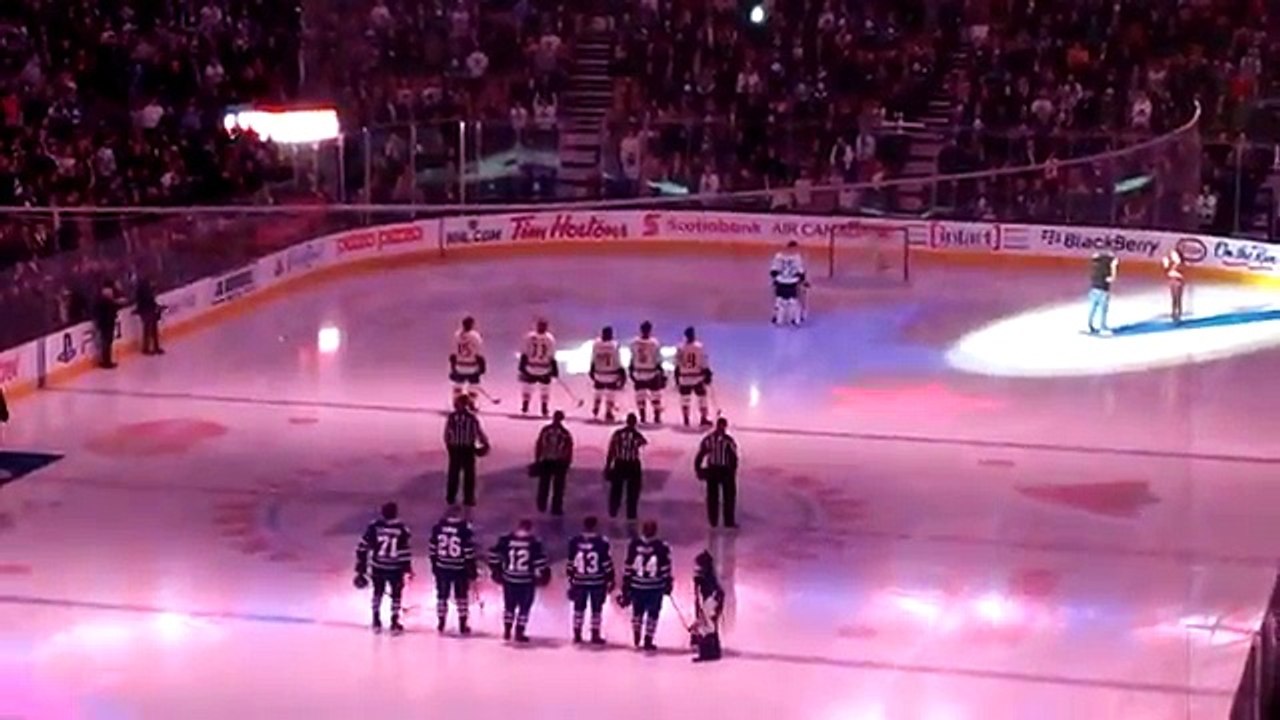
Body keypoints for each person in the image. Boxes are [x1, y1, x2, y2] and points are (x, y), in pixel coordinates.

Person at [354, 501, 413, 634]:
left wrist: (361, 567)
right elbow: (404, 551)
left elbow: (362, 547)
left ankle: (376, 620)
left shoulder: (374, 526)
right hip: (395, 567)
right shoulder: (402, 528)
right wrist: (407, 568)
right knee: (396, 595)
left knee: (378, 592)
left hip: (378, 566)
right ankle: (394, 621)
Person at [488, 518, 551, 642]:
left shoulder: (506, 540)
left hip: (509, 578)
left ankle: (507, 630)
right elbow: (540, 563)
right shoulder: (534, 543)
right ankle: (519, 632)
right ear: (530, 528)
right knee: (524, 607)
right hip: (526, 580)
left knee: (509, 606)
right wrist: (544, 576)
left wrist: (497, 570)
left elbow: (494, 556)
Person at [621, 520, 673, 651]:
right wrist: (668, 584)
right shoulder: (662, 546)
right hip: (655, 587)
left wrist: (626, 586)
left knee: (637, 612)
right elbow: (666, 568)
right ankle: (648, 640)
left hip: (637, 586)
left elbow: (628, 567)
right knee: (653, 614)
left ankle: (636, 636)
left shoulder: (634, 545)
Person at [427, 505, 478, 634]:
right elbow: (468, 551)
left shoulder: (438, 528)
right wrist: (472, 569)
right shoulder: (464, 529)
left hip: (442, 566)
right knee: (461, 596)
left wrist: (434, 564)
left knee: (442, 596)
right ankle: (462, 623)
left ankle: (441, 622)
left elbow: (433, 548)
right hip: (459, 567)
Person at [565, 515, 615, 644]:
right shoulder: (602, 542)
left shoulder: (574, 541)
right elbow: (606, 563)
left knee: (578, 608)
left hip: (579, 580)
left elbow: (570, 563)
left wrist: (571, 579)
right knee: (596, 609)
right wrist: (610, 578)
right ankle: (595, 634)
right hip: (597, 581)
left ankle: (577, 633)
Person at [443, 395, 490, 507]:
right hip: (466, 449)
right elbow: (478, 432)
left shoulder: (453, 417)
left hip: (458, 448)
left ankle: (452, 497)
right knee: (467, 475)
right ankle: (467, 498)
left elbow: (446, 434)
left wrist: (449, 446)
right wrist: (485, 443)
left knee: (455, 474)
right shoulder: (470, 418)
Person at [695, 417, 740, 529]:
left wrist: (732, 471)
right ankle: (716, 521)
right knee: (714, 496)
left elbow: (733, 458)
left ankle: (724, 521)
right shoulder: (718, 440)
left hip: (723, 470)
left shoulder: (725, 440)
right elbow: (701, 455)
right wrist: (698, 469)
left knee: (726, 496)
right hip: (716, 470)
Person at [605, 413, 648, 521]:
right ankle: (631, 513)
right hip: (632, 464)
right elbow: (644, 443)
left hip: (620, 463)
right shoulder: (637, 435)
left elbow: (612, 450)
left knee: (616, 489)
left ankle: (613, 510)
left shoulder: (618, 434)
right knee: (632, 490)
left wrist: (608, 465)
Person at [532, 410, 573, 515]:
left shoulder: (554, 431)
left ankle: (545, 505)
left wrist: (537, 459)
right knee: (553, 485)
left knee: (549, 485)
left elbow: (539, 445)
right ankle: (552, 507)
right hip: (554, 461)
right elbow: (568, 449)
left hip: (553, 461)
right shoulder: (564, 433)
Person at [690, 550, 726, 662]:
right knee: (709, 625)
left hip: (711, 600)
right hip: (713, 599)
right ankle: (713, 651)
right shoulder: (709, 576)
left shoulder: (706, 578)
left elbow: (705, 594)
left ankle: (707, 652)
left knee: (706, 626)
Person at [519, 318, 558, 417]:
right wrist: (555, 370)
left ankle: (525, 406)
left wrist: (521, 367)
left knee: (527, 388)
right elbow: (552, 356)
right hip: (544, 368)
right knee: (545, 389)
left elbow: (524, 353)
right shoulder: (550, 339)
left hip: (530, 366)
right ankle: (544, 408)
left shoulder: (529, 337)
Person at [675, 326, 714, 427]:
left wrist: (677, 379)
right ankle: (703, 418)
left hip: (684, 377)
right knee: (702, 398)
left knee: (685, 399)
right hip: (697, 377)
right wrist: (707, 374)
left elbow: (677, 364)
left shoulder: (680, 347)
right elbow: (704, 363)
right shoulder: (699, 347)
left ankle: (686, 419)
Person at [629, 321, 666, 424]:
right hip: (651, 373)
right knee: (656, 394)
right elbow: (658, 361)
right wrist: (661, 373)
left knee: (640, 395)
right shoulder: (654, 343)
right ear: (650, 330)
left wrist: (631, 372)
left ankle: (642, 416)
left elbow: (632, 358)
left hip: (638, 372)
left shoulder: (634, 343)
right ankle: (656, 415)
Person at [589, 326, 625, 423]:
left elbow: (593, 358)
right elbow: (617, 361)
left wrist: (592, 370)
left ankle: (596, 407)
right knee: (610, 393)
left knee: (598, 391)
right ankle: (608, 412)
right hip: (611, 374)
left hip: (599, 372)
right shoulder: (614, 345)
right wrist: (622, 374)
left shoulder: (596, 344)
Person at [450, 316, 486, 406]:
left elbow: (453, 355)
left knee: (458, 383)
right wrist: (482, 367)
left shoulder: (457, 335)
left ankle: (456, 401)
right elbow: (479, 355)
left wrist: (452, 368)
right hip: (471, 366)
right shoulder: (475, 336)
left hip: (459, 365)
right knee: (474, 383)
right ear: (472, 324)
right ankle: (471, 402)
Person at [770, 240, 807, 326]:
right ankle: (795, 319)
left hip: (781, 280)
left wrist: (775, 280)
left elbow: (773, 271)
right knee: (793, 300)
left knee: (779, 300)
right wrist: (803, 281)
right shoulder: (797, 257)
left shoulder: (778, 256)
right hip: (792, 281)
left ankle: (778, 319)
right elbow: (800, 272)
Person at [93, 282, 124, 369]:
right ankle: (106, 361)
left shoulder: (106, 302)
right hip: (106, 325)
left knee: (107, 343)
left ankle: (107, 360)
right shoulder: (106, 303)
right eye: (110, 294)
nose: (111, 295)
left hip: (107, 324)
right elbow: (111, 310)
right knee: (106, 343)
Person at [1087, 252, 1118, 334]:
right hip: (1103, 291)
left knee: (1092, 309)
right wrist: (1114, 267)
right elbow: (1112, 278)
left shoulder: (1095, 267)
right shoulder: (1107, 269)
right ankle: (1102, 327)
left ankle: (1089, 325)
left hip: (1093, 289)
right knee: (1103, 310)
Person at [134, 278, 164, 355]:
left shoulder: (144, 292)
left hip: (148, 311)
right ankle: (149, 348)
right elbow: (149, 301)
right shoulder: (145, 293)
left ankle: (151, 347)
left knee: (150, 329)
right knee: (149, 329)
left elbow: (150, 302)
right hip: (147, 311)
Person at [1162, 248, 1185, 323]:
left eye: (1174, 254)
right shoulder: (1171, 263)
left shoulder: (1180, 264)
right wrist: (1166, 266)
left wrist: (1172, 271)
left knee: (1178, 298)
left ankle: (1179, 312)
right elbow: (1167, 273)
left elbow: (1181, 274)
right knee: (1173, 298)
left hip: (1178, 281)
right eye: (1172, 254)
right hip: (1172, 281)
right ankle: (1173, 312)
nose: (1172, 255)